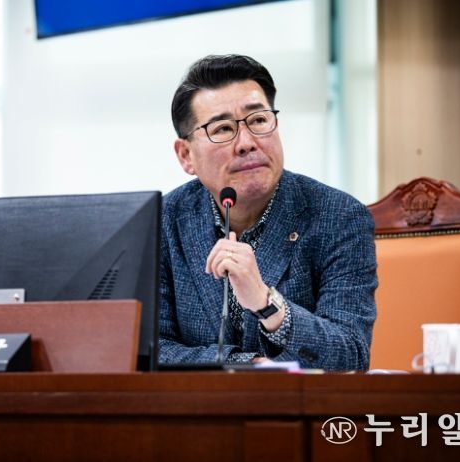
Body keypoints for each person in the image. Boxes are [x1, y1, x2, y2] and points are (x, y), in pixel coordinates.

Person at [159, 54, 377, 370]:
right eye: (223, 129)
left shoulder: (339, 217)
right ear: (186, 155)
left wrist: (267, 304)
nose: (247, 143)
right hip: (197, 402)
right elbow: (150, 350)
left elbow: (351, 354)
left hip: (302, 402)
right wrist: (247, 366)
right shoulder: (164, 222)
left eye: (259, 120)